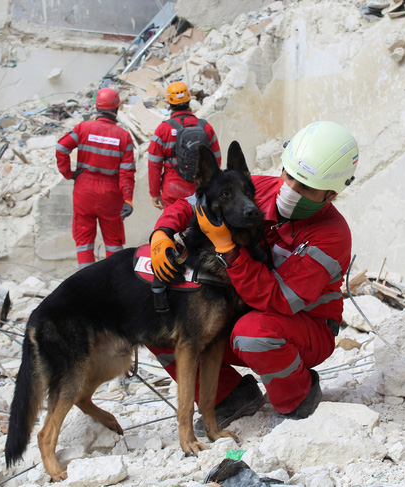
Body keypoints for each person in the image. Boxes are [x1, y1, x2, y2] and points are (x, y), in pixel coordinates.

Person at [149, 121, 359, 429]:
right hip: (244, 307)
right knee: (162, 315)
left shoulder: (332, 236)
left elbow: (280, 299)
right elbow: (193, 202)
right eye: (289, 177)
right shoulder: (258, 188)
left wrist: (228, 251)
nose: (290, 191)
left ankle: (298, 396)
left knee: (253, 333)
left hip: (303, 327)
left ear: (331, 195)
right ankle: (229, 396)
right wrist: (163, 231)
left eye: (306, 188)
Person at [56, 87, 135, 269]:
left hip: (84, 191)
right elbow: (127, 172)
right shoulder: (123, 137)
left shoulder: (83, 128)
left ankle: (86, 285)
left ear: (97, 107)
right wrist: (128, 199)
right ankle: (113, 283)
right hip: (110, 195)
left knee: (84, 242)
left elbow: (61, 148)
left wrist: (68, 174)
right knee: (113, 242)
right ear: (117, 108)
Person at [148, 81, 221, 211]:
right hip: (201, 188)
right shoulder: (205, 127)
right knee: (201, 228)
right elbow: (216, 159)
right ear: (189, 100)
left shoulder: (163, 130)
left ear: (170, 102)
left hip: (173, 191)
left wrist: (154, 193)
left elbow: (154, 164)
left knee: (174, 226)